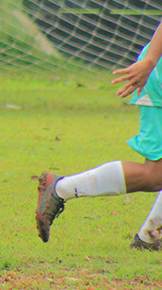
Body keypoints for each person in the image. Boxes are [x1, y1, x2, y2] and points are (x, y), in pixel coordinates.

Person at [36, 19, 162, 249]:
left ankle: (150, 237)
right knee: (155, 174)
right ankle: (61, 189)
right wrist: (150, 61)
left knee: (157, 175)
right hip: (157, 72)